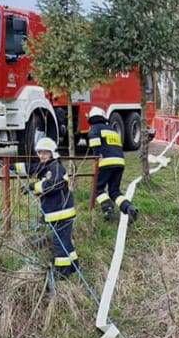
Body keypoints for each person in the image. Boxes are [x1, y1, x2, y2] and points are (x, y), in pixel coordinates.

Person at [16, 137, 78, 278]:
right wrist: (11, 166)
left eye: (45, 152)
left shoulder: (56, 167)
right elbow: (31, 168)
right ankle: (74, 266)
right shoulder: (46, 166)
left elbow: (54, 184)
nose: (42, 155)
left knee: (59, 242)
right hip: (59, 212)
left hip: (62, 213)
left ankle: (62, 272)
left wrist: (32, 186)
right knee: (65, 240)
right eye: (40, 152)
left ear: (52, 153)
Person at [86, 107, 138, 223]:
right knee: (114, 191)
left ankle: (108, 209)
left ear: (92, 119)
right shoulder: (112, 130)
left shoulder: (95, 129)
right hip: (120, 163)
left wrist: (96, 160)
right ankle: (128, 208)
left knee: (97, 189)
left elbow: (95, 147)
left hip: (106, 162)